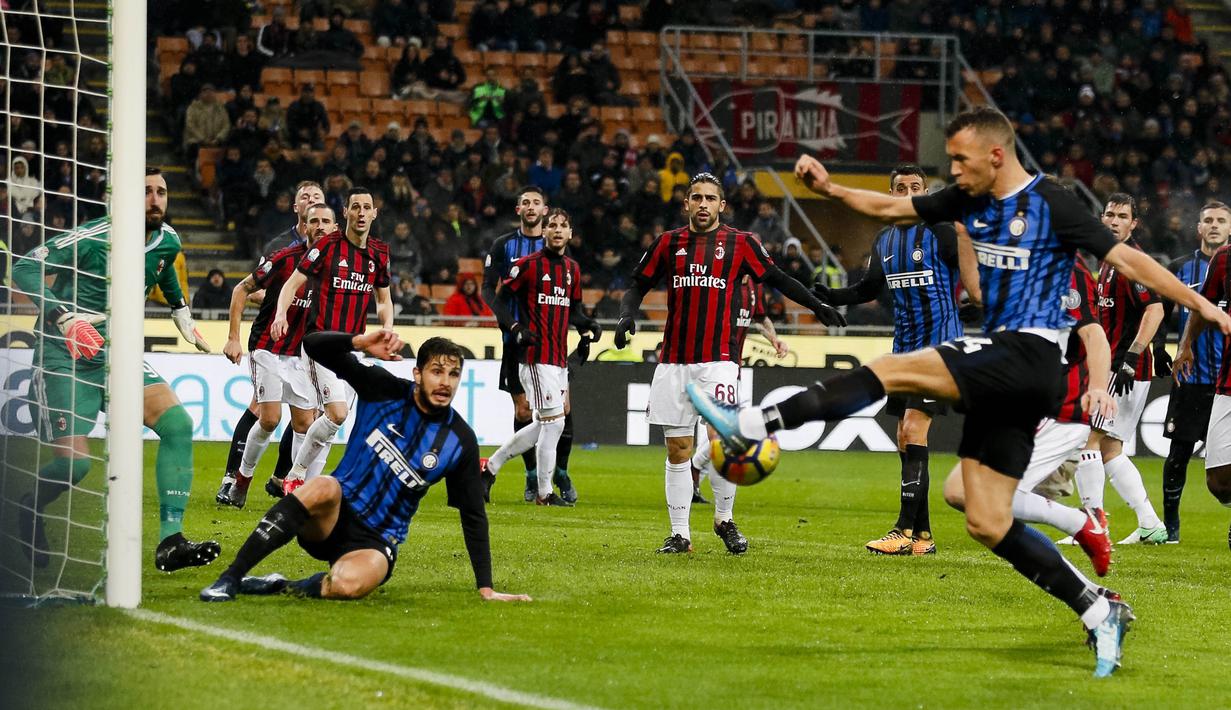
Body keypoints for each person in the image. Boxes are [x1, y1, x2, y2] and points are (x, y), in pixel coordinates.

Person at [688, 107, 1231, 677]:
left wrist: (1204, 307)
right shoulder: (970, 200)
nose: (952, 170)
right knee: (983, 519)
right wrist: (830, 189)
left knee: (894, 369)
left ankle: (750, 425)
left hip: (1031, 359)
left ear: (995, 155)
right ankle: (1098, 609)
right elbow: (894, 209)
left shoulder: (1052, 204)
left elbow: (1130, 260)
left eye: (959, 159)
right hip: (1008, 371)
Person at [199, 331, 532, 604]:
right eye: (436, 371)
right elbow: (312, 345)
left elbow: (473, 515)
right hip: (331, 516)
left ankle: (281, 585)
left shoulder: (459, 440)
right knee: (324, 485)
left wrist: (486, 587)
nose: (445, 382)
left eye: (453, 374)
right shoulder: (382, 388)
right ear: (417, 374)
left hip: (376, 541)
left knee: (345, 586)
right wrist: (357, 343)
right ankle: (230, 578)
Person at [613, 172, 845, 555]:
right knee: (678, 450)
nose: (703, 204)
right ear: (686, 203)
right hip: (674, 362)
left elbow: (778, 277)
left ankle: (725, 520)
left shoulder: (741, 243)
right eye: (696, 198)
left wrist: (816, 305)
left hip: (719, 360)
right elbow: (637, 283)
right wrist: (626, 316)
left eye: (710, 198)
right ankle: (680, 535)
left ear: (722, 205)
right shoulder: (668, 243)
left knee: (723, 441)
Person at [12, 167, 220, 572]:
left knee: (178, 424)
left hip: (117, 352)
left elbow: (163, 269)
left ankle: (171, 541)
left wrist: (180, 310)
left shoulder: (168, 239)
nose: (155, 199)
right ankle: (30, 505)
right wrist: (62, 317)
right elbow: (24, 267)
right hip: (65, 353)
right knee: (75, 465)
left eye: (161, 192)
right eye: (146, 191)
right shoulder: (93, 237)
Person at [813, 164, 969, 556]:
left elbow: (973, 265)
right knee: (904, 436)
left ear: (925, 193)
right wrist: (831, 297)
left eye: (915, 187)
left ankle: (902, 530)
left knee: (914, 429)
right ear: (891, 194)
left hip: (939, 349)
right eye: (900, 187)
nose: (908, 193)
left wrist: (977, 301)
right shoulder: (885, 240)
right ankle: (923, 536)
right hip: (904, 350)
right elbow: (869, 288)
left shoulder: (940, 231)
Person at [944, 256, 1115, 578]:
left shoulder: (1067, 267)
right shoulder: (1016, 260)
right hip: (1016, 400)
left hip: (1055, 405)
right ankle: (1080, 523)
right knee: (957, 492)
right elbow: (978, 295)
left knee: (985, 501)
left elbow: (1093, 333)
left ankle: (1082, 550)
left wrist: (1098, 387)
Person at [272, 188, 394, 493]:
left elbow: (383, 299)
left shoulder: (379, 253)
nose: (361, 213)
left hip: (352, 349)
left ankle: (305, 487)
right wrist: (280, 314)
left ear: (374, 213)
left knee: (332, 422)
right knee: (337, 413)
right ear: (346, 212)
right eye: (356, 207)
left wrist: (388, 328)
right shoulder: (327, 246)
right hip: (320, 345)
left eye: (367, 207)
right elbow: (292, 283)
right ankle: (295, 474)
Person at [216, 204, 336, 509]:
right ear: (304, 227)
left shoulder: (336, 270)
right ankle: (242, 479)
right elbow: (242, 289)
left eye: (326, 221)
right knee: (270, 419)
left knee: (305, 424)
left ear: (335, 229)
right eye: (314, 221)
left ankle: (297, 491)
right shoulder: (285, 258)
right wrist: (233, 338)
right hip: (267, 348)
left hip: (300, 355)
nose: (320, 226)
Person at [483, 208, 601, 505]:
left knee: (545, 424)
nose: (558, 230)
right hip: (535, 356)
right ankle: (544, 493)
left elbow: (573, 311)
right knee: (555, 424)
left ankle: (489, 468)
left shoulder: (573, 269)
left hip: (559, 358)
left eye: (563, 225)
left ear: (570, 233)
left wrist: (589, 325)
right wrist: (516, 328)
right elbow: (499, 301)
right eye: (552, 225)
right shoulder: (528, 265)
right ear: (544, 232)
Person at [1088, 194, 1168, 545]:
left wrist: (1132, 357)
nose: (1114, 221)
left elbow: (1156, 309)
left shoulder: (1131, 260)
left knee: (1088, 441)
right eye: (1110, 214)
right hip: (1115, 366)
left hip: (1123, 369)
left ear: (1134, 223)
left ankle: (1093, 525)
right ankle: (1150, 523)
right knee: (1109, 448)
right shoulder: (1108, 259)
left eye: (1122, 216)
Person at [1159, 201, 1229, 542]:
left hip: (1222, 376)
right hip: (1194, 378)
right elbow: (1161, 309)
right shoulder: (1182, 267)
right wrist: (1165, 347)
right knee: (1183, 458)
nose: (1214, 225)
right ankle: (1170, 528)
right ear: (1199, 227)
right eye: (1208, 220)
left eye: (1221, 220)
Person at [690, 274, 787, 504]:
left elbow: (760, 318)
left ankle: (694, 476)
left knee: (723, 432)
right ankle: (695, 472)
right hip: (710, 366)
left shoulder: (755, 286)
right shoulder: (719, 281)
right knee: (726, 432)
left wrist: (774, 339)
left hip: (733, 369)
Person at [481, 186, 551, 501]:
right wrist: (511, 324)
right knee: (524, 411)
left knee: (558, 410)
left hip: (550, 341)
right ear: (518, 210)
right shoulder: (503, 245)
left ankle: (559, 474)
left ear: (545, 210)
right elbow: (488, 289)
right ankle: (532, 475)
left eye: (536, 202)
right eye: (525, 202)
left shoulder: (554, 244)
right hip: (514, 340)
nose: (531, 207)